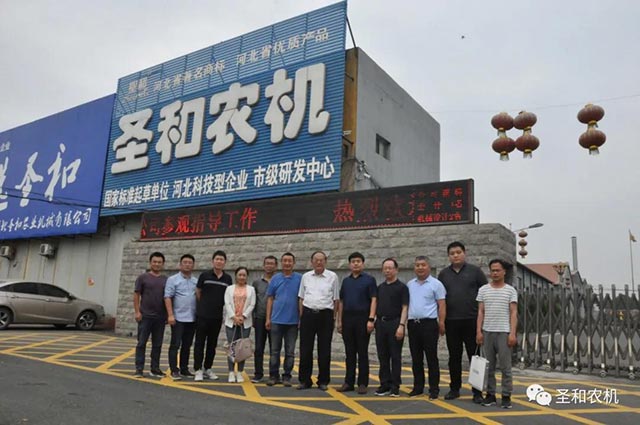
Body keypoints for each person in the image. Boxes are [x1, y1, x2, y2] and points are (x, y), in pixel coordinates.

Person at [438, 241, 487, 403]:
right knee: (454, 357)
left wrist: (482, 322)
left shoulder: (475, 272)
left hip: (472, 321)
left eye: (458, 252)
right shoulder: (443, 274)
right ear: (448, 256)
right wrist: (441, 321)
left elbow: (484, 294)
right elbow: (440, 299)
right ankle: (454, 388)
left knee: (475, 357)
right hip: (452, 321)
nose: (455, 255)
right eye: (452, 253)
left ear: (464, 253)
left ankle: (477, 392)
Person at [476, 259, 518, 409]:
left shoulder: (510, 291)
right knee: (489, 367)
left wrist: (512, 333)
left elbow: (513, 313)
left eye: (497, 270)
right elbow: (480, 312)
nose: (495, 273)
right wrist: (478, 331)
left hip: (504, 332)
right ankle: (490, 395)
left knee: (506, 367)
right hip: (487, 332)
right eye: (492, 270)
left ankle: (506, 395)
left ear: (504, 272)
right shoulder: (483, 290)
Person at [297, 251, 339, 391]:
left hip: (325, 315)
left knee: (324, 350)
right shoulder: (306, 277)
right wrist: (301, 317)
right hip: (308, 314)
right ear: (312, 262)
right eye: (316, 260)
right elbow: (301, 298)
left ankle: (323, 381)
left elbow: (336, 299)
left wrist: (334, 318)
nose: (319, 262)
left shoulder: (333, 277)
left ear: (325, 261)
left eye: (321, 260)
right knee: (305, 349)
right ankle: (305, 380)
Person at [336, 252, 377, 394]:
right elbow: (341, 302)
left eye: (358, 261)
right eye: (353, 261)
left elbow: (374, 299)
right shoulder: (346, 281)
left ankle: (362, 383)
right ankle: (348, 382)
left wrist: (371, 319)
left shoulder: (369, 280)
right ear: (349, 264)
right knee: (349, 352)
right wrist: (339, 320)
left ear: (363, 264)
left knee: (362, 352)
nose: (356, 264)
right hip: (348, 319)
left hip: (363, 319)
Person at [406, 256, 446, 400]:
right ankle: (418, 387)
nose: (420, 268)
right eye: (417, 265)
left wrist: (442, 323)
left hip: (429, 324)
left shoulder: (436, 284)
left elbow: (442, 305)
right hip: (413, 324)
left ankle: (434, 389)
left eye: (423, 265)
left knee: (431, 358)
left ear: (429, 267)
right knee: (416, 358)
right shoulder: (410, 284)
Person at [194, 250, 233, 382]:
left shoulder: (227, 279)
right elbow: (198, 292)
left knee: (212, 345)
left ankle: (208, 368)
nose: (219, 261)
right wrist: (203, 305)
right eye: (217, 259)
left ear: (225, 262)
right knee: (199, 343)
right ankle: (198, 369)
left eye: (222, 259)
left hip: (216, 317)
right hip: (202, 315)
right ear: (213, 261)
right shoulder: (204, 275)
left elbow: (228, 296)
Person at [265, 252, 302, 387]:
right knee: (274, 351)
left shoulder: (300, 278)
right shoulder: (275, 279)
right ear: (281, 263)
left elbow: (301, 299)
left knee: (290, 352)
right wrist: (268, 318)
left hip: (293, 322)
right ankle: (273, 375)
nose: (287, 263)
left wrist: (301, 318)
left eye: (289, 261)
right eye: (284, 261)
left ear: (294, 263)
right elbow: (270, 299)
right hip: (276, 320)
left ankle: (287, 376)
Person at [374, 258, 409, 397]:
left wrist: (401, 325)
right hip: (380, 324)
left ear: (396, 270)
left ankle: (395, 386)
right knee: (382, 356)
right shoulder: (380, 287)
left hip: (395, 323)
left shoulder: (402, 287)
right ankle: (384, 384)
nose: (387, 270)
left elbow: (405, 307)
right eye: (385, 268)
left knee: (395, 356)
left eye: (390, 268)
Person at [134, 252, 168, 378]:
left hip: (160, 317)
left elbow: (168, 297)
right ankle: (139, 369)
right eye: (155, 262)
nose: (157, 264)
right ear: (150, 263)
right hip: (145, 316)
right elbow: (136, 295)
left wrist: (168, 315)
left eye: (159, 262)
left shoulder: (166, 280)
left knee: (157, 344)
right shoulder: (143, 278)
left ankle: (155, 368)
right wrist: (137, 312)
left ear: (163, 264)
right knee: (141, 343)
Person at [164, 254, 198, 381]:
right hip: (178, 318)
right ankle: (174, 370)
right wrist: (170, 315)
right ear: (180, 264)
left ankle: (184, 369)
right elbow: (167, 297)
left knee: (187, 345)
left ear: (193, 265)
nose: (187, 265)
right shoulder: (173, 279)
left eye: (190, 263)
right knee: (175, 344)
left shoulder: (195, 281)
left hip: (192, 318)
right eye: (185, 262)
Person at [224, 267, 256, 383]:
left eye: (244, 275)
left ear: (247, 277)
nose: (242, 277)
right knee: (232, 347)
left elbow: (252, 304)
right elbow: (227, 303)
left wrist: (244, 316)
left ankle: (240, 372)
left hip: (245, 322)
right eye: (240, 275)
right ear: (236, 276)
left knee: (242, 348)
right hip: (231, 322)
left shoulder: (251, 289)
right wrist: (234, 317)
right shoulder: (229, 289)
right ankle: (231, 372)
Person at [250, 255, 277, 383]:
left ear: (276, 266)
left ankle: (273, 374)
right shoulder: (256, 283)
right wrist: (253, 318)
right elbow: (253, 301)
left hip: (276, 319)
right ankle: (258, 373)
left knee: (274, 349)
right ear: (263, 265)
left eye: (272, 263)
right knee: (259, 348)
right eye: (267, 263)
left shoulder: (278, 281)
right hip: (260, 318)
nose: (269, 266)